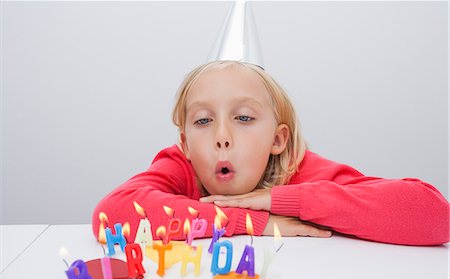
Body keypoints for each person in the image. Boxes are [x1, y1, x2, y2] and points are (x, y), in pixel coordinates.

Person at [92, 60, 449, 246]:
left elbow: (435, 216)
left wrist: (281, 200)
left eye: (244, 117)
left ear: (278, 139)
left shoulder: (298, 169)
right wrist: (249, 221)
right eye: (203, 120)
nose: (222, 137)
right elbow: (110, 215)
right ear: (185, 144)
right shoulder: (179, 166)